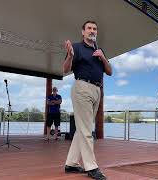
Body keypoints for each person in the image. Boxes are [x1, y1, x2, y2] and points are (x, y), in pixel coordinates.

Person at [63, 20, 112, 180]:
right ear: (83, 32)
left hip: (97, 90)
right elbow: (65, 69)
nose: (92, 31)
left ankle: (71, 163)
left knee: (82, 128)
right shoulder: (76, 48)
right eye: (89, 28)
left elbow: (109, 71)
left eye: (95, 29)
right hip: (82, 87)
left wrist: (103, 58)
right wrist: (70, 56)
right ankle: (92, 167)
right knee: (86, 130)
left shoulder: (99, 49)